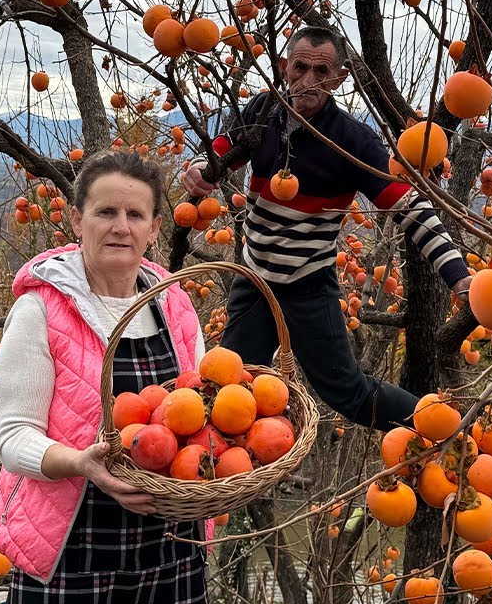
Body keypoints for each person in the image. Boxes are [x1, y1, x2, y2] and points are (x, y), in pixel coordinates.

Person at [183, 26, 471, 431]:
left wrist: (458, 277)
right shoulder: (261, 112)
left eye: (322, 72)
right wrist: (199, 170)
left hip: (308, 283)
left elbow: (411, 207)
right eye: (300, 68)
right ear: (284, 68)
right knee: (229, 387)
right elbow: (218, 150)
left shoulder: (353, 141)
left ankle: (440, 428)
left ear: (340, 78)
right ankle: (222, 478)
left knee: (347, 392)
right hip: (255, 280)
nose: (309, 81)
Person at [0, 151, 211, 604]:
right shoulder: (40, 311)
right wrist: (81, 464)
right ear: (77, 219)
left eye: (135, 215)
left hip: (171, 553)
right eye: (105, 212)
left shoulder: (174, 306)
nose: (120, 227)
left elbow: (205, 411)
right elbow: (14, 440)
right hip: (72, 555)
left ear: (154, 228)